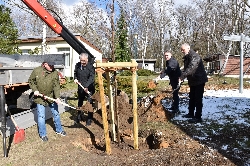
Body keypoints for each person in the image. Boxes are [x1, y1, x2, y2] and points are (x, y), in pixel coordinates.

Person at [28, 61, 66, 142]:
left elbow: (56, 86)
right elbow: (31, 81)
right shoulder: (37, 71)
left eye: (53, 65)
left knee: (56, 114)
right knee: (41, 116)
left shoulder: (55, 72)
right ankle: (43, 134)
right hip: (40, 97)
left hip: (51, 96)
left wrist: (57, 97)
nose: (52, 66)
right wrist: (35, 90)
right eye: (50, 65)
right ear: (45, 64)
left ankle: (59, 130)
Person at [179, 43, 208, 123]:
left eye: (183, 49)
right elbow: (186, 69)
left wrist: (182, 76)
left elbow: (191, 68)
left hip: (199, 80)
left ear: (188, 48)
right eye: (181, 50)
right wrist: (181, 75)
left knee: (198, 99)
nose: (182, 51)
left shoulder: (195, 56)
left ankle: (198, 117)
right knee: (191, 97)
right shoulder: (187, 57)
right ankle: (191, 113)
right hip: (193, 80)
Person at [74, 53, 95, 126]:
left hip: (89, 88)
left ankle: (89, 119)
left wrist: (86, 86)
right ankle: (79, 116)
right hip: (80, 88)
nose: (82, 62)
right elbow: (75, 73)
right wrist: (75, 79)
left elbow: (92, 78)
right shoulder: (77, 65)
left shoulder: (91, 67)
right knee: (80, 102)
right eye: (81, 60)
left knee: (89, 103)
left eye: (84, 60)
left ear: (87, 59)